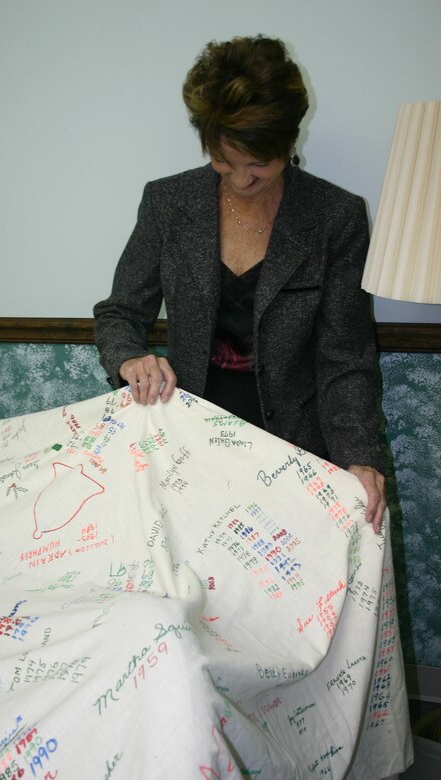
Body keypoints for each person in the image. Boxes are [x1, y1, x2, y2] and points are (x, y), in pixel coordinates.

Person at [93, 35, 386, 532]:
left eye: (260, 163)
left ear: (289, 142)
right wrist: (130, 358)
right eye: (225, 161)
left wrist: (359, 455)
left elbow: (346, 357)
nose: (242, 179)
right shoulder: (169, 203)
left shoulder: (335, 216)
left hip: (294, 450)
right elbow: (120, 312)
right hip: (183, 444)